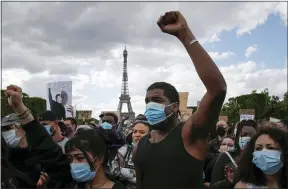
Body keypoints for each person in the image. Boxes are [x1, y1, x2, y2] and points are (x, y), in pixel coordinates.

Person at [133, 11, 227, 189]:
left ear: (175, 106)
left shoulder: (190, 133)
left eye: (157, 100)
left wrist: (185, 35)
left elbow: (217, 89)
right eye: (147, 101)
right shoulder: (140, 147)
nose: (150, 105)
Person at [1, 85, 71, 188]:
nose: (6, 133)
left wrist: (20, 107)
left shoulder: (66, 147)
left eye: (9, 128)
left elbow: (55, 161)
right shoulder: (8, 162)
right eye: (4, 129)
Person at [110, 115, 150, 189]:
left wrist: (125, 173)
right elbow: (114, 170)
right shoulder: (124, 150)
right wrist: (134, 173)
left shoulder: (156, 151)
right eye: (135, 132)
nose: (137, 135)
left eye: (142, 132)